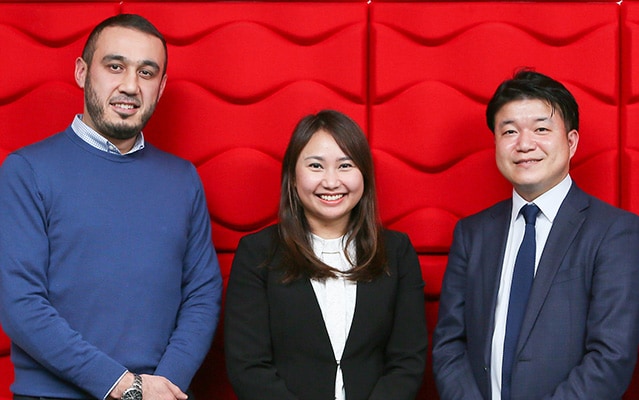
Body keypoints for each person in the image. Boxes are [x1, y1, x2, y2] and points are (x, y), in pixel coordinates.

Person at [0, 14, 222, 400]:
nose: (130, 86)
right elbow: (21, 304)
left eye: (146, 72)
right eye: (115, 66)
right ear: (82, 72)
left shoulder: (183, 179)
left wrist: (163, 385)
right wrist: (125, 386)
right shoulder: (27, 171)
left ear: (161, 87)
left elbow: (202, 293)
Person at [432, 69, 639, 399]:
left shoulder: (616, 232)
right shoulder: (472, 234)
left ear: (571, 142)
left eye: (541, 129)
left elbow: (612, 355)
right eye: (509, 131)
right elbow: (449, 345)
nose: (524, 144)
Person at [223, 110, 428, 400]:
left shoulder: (397, 251)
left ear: (364, 174)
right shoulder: (257, 253)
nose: (331, 182)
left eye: (345, 165)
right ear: (293, 176)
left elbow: (407, 360)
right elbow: (248, 366)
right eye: (316, 166)